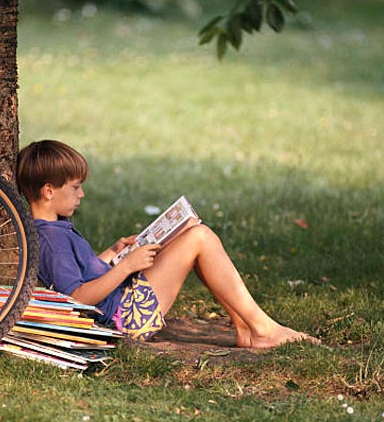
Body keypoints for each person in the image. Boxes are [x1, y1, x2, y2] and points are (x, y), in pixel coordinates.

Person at [16, 140, 320, 348]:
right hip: (124, 319)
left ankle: (245, 327)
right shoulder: (51, 239)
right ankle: (263, 330)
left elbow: (79, 273)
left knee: (190, 230)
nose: (81, 195)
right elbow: (78, 297)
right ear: (48, 191)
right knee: (199, 238)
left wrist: (111, 254)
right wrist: (126, 268)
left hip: (122, 305)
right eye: (76, 187)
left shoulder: (52, 228)